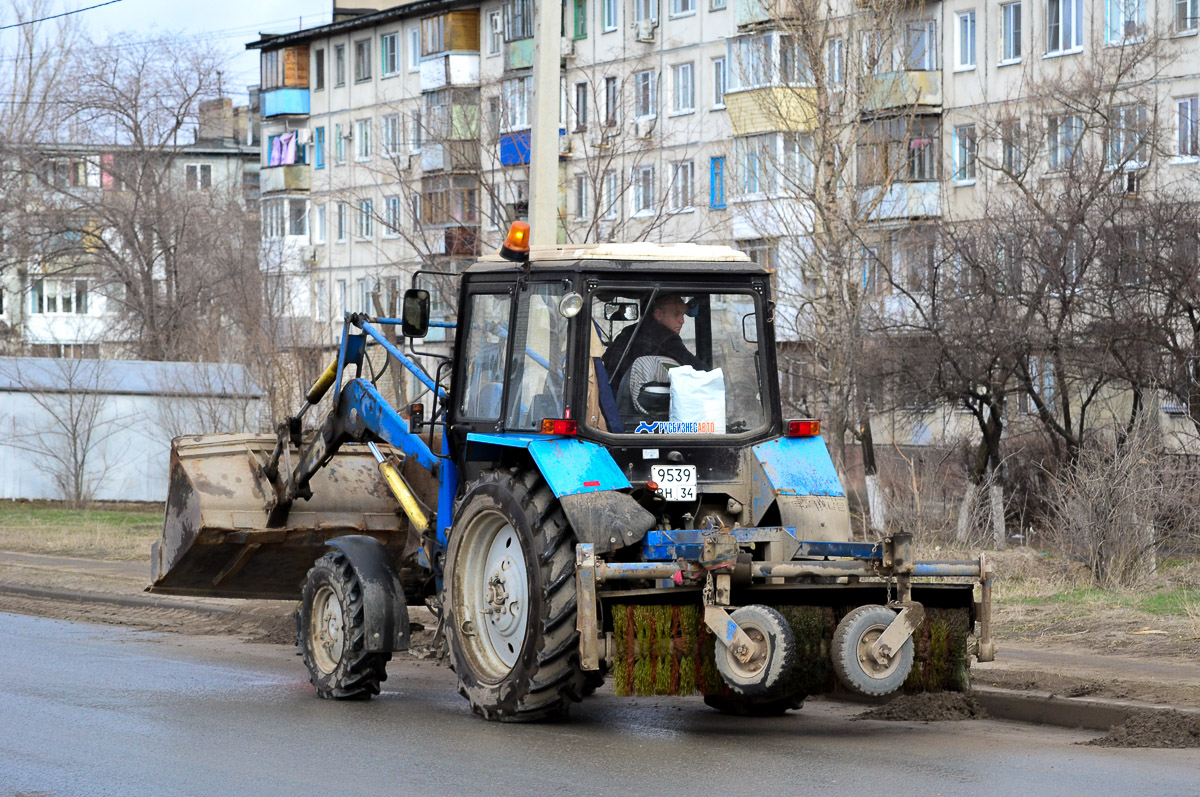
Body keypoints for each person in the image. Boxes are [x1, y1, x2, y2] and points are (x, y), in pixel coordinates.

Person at [602, 295, 704, 392]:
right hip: (635, 406)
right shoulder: (666, 338)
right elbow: (697, 370)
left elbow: (605, 361)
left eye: (682, 315)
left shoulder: (628, 331)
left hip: (610, 399)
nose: (682, 321)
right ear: (659, 314)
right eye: (676, 314)